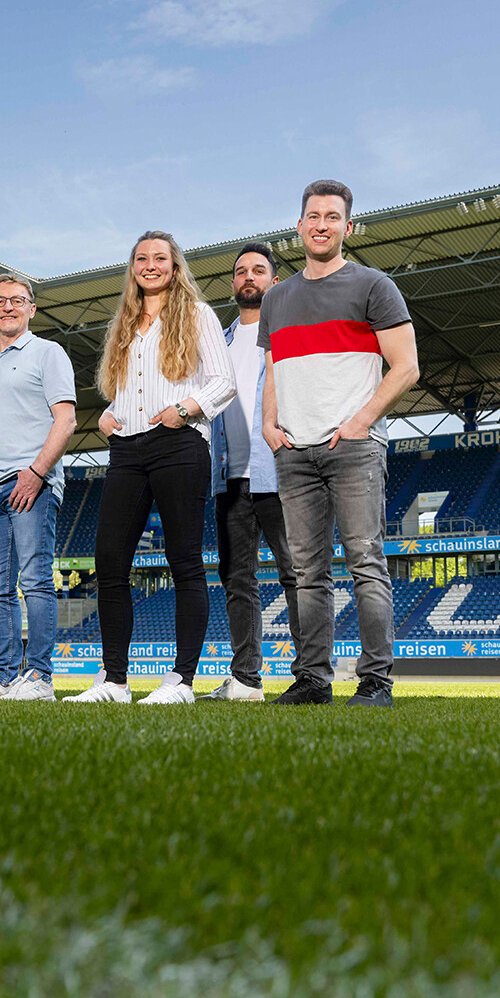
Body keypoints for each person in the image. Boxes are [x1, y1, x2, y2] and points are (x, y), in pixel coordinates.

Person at [261, 180, 418, 707]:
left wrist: (360, 422)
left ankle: (375, 682)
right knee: (307, 573)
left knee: (365, 562)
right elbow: (274, 369)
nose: (321, 225)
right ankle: (313, 680)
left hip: (353, 448)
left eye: (332, 217)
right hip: (293, 451)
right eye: (313, 216)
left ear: (348, 227)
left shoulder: (375, 286)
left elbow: (407, 367)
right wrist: (269, 425)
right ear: (299, 226)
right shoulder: (277, 298)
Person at [68, 231, 235, 705]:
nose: (150, 265)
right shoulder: (124, 322)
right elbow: (127, 388)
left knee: (183, 560)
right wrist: (107, 413)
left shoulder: (197, 314)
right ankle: (114, 682)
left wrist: (184, 409)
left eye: (160, 258)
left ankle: (181, 681)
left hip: (179, 443)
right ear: (133, 268)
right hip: (126, 449)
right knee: (109, 561)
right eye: (141, 258)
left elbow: (224, 382)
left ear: (175, 266)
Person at [0, 274, 77, 702]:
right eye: (0, 301)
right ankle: (4, 676)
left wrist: (36, 472)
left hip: (31, 484)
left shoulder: (48, 353)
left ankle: (40, 678)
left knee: (36, 581)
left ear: (32, 308)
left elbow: (66, 420)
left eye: (17, 300)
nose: (8, 307)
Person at [204, 243, 302, 702]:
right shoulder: (217, 344)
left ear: (274, 281)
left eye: (259, 270)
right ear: (232, 284)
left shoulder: (290, 334)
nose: (249, 276)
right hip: (228, 476)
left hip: (280, 470)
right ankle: (245, 680)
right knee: (237, 580)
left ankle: (311, 676)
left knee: (296, 574)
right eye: (241, 271)